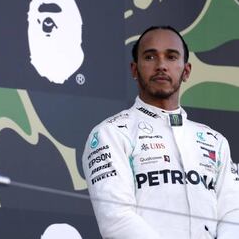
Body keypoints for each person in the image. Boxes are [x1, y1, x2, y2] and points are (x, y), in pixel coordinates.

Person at [82, 26, 239, 238]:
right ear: (134, 69)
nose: (161, 65)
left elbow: (233, 214)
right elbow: (116, 219)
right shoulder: (111, 133)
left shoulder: (215, 142)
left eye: (172, 57)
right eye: (150, 56)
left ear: (186, 71)